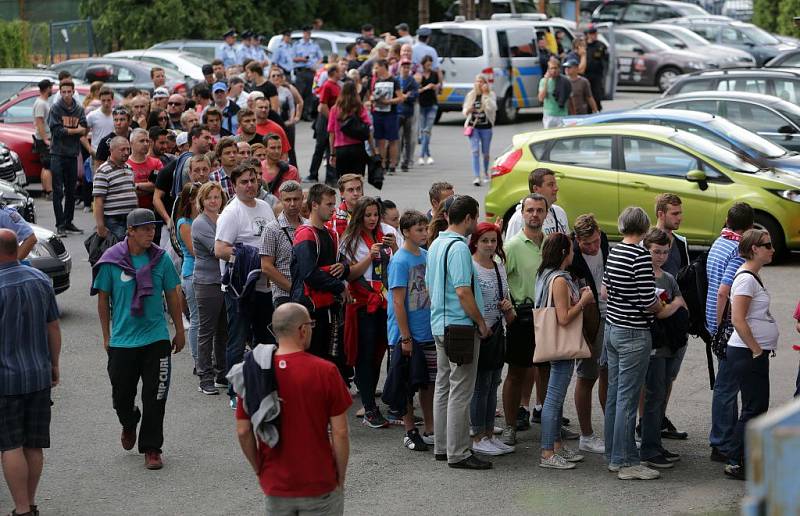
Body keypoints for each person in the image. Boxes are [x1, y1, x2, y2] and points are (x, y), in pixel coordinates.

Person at [232, 302, 349, 515]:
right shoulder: (326, 371)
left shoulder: (255, 372)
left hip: (277, 484)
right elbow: (340, 432)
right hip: (319, 481)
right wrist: (340, 476)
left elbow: (243, 430)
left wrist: (260, 467)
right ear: (302, 330)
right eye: (311, 325)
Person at [92, 208, 184, 470]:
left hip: (156, 338)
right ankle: (129, 421)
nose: (150, 233)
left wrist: (178, 330)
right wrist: (106, 336)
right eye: (144, 228)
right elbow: (103, 299)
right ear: (130, 231)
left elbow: (172, 295)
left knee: (156, 396)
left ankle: (152, 448)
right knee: (121, 397)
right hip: (122, 342)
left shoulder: (161, 259)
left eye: (153, 228)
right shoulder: (110, 261)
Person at [426, 195, 492, 470]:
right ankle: (459, 452)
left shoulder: (436, 244)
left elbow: (432, 286)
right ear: (467, 218)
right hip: (460, 327)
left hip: (440, 324)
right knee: (461, 391)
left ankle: (442, 447)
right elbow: (463, 290)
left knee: (443, 387)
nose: (475, 224)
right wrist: (481, 321)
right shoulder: (459, 248)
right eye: (474, 218)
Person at [0, 229, 61, 516]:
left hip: (5, 379)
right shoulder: (40, 280)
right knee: (34, 444)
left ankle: (21, 508)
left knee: (10, 444)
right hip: (38, 373)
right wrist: (54, 364)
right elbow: (53, 326)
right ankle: (32, 502)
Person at [602, 207, 663, 480]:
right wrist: (662, 305)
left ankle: (614, 454)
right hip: (634, 333)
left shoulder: (614, 251)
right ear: (645, 227)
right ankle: (626, 461)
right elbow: (648, 301)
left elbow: (605, 290)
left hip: (613, 327)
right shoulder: (640, 255)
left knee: (616, 396)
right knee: (628, 398)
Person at [214, 163, 276, 407]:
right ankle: (235, 392)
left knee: (266, 339)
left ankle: (263, 385)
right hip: (239, 289)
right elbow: (219, 249)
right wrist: (246, 258)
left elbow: (272, 239)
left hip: (265, 285)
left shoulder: (264, 207)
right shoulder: (231, 212)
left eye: (253, 180)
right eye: (244, 182)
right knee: (238, 340)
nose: (250, 185)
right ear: (234, 185)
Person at [720, 229, 778, 480]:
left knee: (757, 406)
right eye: (767, 245)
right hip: (746, 352)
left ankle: (745, 457)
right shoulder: (745, 279)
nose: (772, 249)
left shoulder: (753, 276)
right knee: (753, 408)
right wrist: (756, 348)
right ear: (754, 248)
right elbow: (738, 319)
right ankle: (736, 461)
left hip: (752, 352)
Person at [535, 232, 594, 469]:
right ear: (562, 252)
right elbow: (564, 317)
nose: (573, 253)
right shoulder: (559, 279)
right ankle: (548, 452)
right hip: (561, 345)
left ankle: (556, 446)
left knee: (555, 398)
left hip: (554, 344)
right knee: (553, 399)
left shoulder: (544, 274)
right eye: (570, 249)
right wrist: (583, 301)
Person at [340, 197, 398, 427]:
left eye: (375, 214)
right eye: (368, 215)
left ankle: (372, 402)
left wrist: (394, 247)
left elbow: (401, 260)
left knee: (379, 354)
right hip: (363, 303)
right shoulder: (349, 240)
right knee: (364, 355)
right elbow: (349, 274)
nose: (373, 220)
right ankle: (369, 407)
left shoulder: (389, 231)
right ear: (359, 216)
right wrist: (369, 256)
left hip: (387, 302)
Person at [706, 202, 753, 464]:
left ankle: (723, 439)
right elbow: (724, 290)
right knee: (727, 386)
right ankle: (722, 442)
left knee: (726, 384)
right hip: (726, 325)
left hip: (714, 321)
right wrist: (724, 324)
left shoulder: (720, 242)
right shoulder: (737, 250)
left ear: (727, 220)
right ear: (749, 227)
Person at [500, 194, 546, 447]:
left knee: (546, 373)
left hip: (548, 317)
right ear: (523, 213)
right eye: (530, 210)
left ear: (546, 214)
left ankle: (550, 429)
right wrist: (508, 311)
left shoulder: (550, 243)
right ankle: (509, 426)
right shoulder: (512, 246)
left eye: (539, 210)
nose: (534, 215)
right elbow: (499, 279)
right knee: (516, 374)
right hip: (522, 318)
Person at [387, 210, 436, 450]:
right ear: (405, 232)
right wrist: (405, 336)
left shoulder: (426, 256)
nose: (424, 233)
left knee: (428, 382)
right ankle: (409, 430)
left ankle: (430, 427)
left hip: (427, 329)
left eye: (425, 229)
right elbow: (398, 301)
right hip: (407, 333)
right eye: (419, 229)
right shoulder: (400, 260)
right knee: (407, 382)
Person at [639, 228, 688, 470]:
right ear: (646, 250)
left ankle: (655, 443)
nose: (660, 257)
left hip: (669, 343)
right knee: (653, 395)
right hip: (653, 346)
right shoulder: (644, 276)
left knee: (661, 395)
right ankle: (648, 447)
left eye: (665, 252)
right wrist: (671, 306)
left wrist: (671, 306)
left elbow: (681, 303)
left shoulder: (668, 278)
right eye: (656, 252)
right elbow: (658, 309)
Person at [290, 183, 350, 378]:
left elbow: (337, 265)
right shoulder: (306, 234)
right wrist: (338, 285)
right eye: (329, 204)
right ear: (314, 205)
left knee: (327, 357)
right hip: (308, 308)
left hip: (327, 307)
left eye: (334, 204)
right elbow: (309, 273)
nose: (334, 209)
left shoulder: (331, 234)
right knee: (310, 359)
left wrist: (343, 268)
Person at [469, 222, 516, 457]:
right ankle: (477, 435)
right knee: (480, 386)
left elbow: (507, 301)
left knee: (492, 384)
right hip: (479, 332)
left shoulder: (498, 267)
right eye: (485, 240)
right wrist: (479, 324)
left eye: (493, 240)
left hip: (497, 331)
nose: (489, 245)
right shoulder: (470, 266)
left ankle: (488, 433)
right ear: (475, 242)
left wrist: (508, 308)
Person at [567, 214, 609, 455]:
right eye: (587, 244)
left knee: (608, 374)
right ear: (576, 239)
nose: (593, 247)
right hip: (588, 321)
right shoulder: (572, 256)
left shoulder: (603, 240)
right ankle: (586, 435)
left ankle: (612, 431)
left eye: (594, 241)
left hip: (610, 315)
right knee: (587, 375)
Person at [652, 193, 690, 440]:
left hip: (677, 320)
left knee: (670, 375)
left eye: (680, 212)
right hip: (656, 320)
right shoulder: (650, 242)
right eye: (674, 213)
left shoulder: (681, 242)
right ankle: (647, 422)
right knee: (653, 379)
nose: (679, 217)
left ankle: (659, 419)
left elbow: (686, 278)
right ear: (661, 214)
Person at [192, 182, 228, 395]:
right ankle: (205, 377)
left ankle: (222, 372)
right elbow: (217, 250)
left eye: (217, 197)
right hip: (207, 282)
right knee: (207, 331)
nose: (214, 201)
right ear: (202, 201)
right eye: (209, 198)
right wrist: (240, 253)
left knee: (224, 330)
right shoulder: (199, 223)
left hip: (224, 280)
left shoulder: (223, 218)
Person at [48, 79, 87, 237]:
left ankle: (69, 221)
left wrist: (75, 130)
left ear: (73, 91)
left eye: (68, 91)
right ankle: (60, 224)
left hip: (72, 154)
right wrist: (74, 131)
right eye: (63, 92)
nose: (66, 94)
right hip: (57, 154)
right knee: (58, 191)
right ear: (60, 92)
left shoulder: (79, 109)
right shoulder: (56, 108)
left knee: (71, 190)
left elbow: (84, 128)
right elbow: (57, 131)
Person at [260, 180, 307, 308]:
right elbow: (266, 267)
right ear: (281, 200)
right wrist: (293, 289)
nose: (292, 204)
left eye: (296, 199)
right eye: (287, 200)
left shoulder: (309, 225)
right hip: (284, 295)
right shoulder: (272, 229)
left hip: (309, 293)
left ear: (303, 199)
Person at [175, 182, 201, 370]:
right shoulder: (184, 223)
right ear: (192, 200)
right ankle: (197, 359)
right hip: (192, 273)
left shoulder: (204, 219)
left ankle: (207, 357)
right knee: (197, 319)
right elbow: (194, 251)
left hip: (207, 273)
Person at [504, 168, 570, 240]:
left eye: (555, 184)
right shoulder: (519, 218)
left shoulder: (559, 212)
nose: (556, 188)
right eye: (551, 185)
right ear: (535, 189)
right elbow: (510, 249)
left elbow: (568, 242)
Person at [94, 136, 138, 242]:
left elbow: (133, 193)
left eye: (128, 149)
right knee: (120, 250)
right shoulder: (103, 170)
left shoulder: (129, 168)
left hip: (130, 218)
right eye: (122, 149)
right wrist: (100, 227)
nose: (127, 152)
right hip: (113, 220)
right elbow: (98, 201)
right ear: (111, 150)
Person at [328, 81, 374, 177]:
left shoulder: (334, 109)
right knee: (358, 180)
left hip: (341, 149)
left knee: (344, 181)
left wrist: (332, 154)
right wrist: (373, 150)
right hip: (358, 148)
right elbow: (367, 130)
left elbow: (332, 133)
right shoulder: (359, 108)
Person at [371, 59, 404, 174]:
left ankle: (393, 164)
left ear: (383, 67)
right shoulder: (376, 80)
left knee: (392, 139)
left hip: (390, 113)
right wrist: (373, 100)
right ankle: (382, 163)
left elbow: (401, 98)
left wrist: (388, 101)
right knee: (379, 140)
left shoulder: (394, 80)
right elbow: (373, 94)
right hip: (378, 112)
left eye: (376, 67)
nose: (375, 70)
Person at [462, 74, 496, 187]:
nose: (479, 84)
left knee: (485, 153)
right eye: (477, 81)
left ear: (485, 83)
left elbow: (493, 108)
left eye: (481, 81)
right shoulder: (471, 95)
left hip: (486, 127)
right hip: (473, 127)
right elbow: (464, 110)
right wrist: (468, 109)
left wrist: (486, 95)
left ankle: (485, 173)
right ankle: (477, 176)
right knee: (475, 151)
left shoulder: (490, 94)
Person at [309, 63, 341, 183]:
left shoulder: (337, 85)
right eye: (339, 71)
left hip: (331, 120)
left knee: (331, 148)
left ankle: (331, 177)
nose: (342, 72)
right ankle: (313, 174)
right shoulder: (327, 85)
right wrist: (331, 119)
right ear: (334, 73)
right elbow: (322, 106)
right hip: (324, 120)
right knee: (321, 147)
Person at [293, 26, 323, 120]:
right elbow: (292, 58)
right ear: (303, 34)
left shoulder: (314, 45)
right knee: (299, 93)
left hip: (311, 71)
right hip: (301, 71)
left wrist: (316, 65)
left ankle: (307, 114)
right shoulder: (297, 45)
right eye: (306, 33)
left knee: (309, 94)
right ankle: (298, 113)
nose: (307, 35)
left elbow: (321, 57)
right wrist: (301, 59)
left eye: (309, 33)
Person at [127, 128, 160, 212]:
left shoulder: (156, 163)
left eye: (147, 141)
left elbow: (158, 187)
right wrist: (148, 188)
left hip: (153, 209)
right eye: (141, 141)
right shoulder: (124, 164)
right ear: (131, 144)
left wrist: (137, 186)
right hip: (131, 210)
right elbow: (126, 190)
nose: (146, 144)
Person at [32, 79, 54, 200]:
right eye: (51, 87)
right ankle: (49, 191)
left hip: (44, 137)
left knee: (45, 165)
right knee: (48, 165)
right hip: (44, 138)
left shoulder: (43, 102)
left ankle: (45, 190)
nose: (52, 90)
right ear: (47, 89)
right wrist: (45, 139)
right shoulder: (41, 103)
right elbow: (39, 122)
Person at [416, 55, 439, 166]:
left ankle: (421, 155)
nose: (429, 65)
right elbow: (417, 91)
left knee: (427, 130)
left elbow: (439, 86)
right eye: (427, 63)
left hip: (432, 104)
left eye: (431, 63)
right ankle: (428, 155)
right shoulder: (419, 75)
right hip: (421, 104)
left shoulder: (434, 74)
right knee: (423, 130)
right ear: (423, 64)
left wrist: (435, 87)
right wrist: (426, 87)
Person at [396, 59, 419, 172]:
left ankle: (406, 161)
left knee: (408, 139)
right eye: (403, 67)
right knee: (397, 138)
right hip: (397, 112)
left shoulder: (412, 81)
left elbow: (415, 94)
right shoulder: (396, 80)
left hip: (408, 113)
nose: (405, 69)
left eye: (407, 67)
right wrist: (404, 96)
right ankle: (395, 160)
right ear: (400, 68)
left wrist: (406, 97)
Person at [538, 57, 571, 129]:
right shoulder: (543, 81)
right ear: (548, 70)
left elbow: (569, 98)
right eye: (551, 68)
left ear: (559, 69)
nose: (554, 71)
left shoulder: (565, 81)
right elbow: (541, 98)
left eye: (555, 68)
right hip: (549, 115)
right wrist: (546, 80)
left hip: (562, 115)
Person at [328, 174, 363, 238]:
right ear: (342, 194)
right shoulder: (333, 217)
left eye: (358, 189)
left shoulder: (372, 212)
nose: (356, 193)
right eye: (351, 190)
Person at [583, 27, 608, 112]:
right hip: (585, 74)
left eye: (596, 34)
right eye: (593, 34)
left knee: (597, 94)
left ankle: (597, 110)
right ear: (589, 35)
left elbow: (606, 60)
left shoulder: (601, 45)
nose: (595, 36)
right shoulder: (584, 45)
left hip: (597, 75)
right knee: (586, 94)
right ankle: (588, 110)